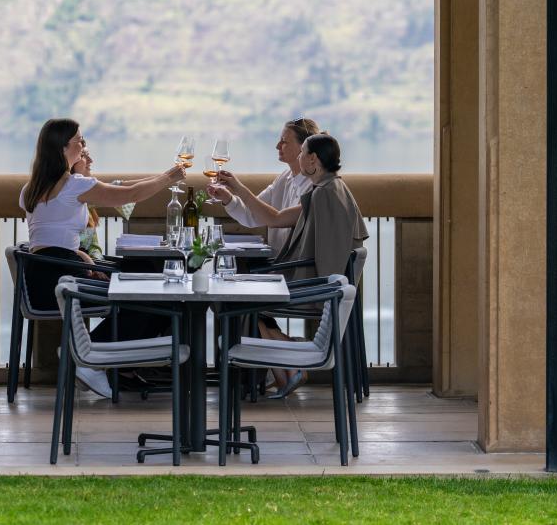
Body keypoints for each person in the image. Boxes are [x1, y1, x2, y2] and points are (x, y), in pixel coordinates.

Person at [19, 118, 186, 397]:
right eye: (79, 142)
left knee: (145, 274)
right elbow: (128, 195)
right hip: (63, 278)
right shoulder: (74, 186)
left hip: (41, 276)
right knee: (151, 292)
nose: (84, 146)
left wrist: (80, 254)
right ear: (63, 149)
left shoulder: (30, 190)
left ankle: (108, 361)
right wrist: (168, 178)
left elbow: (48, 238)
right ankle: (92, 358)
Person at [216, 132, 368, 397]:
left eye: (301, 153)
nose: (297, 159)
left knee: (237, 300)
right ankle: (283, 366)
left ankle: (280, 365)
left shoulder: (323, 193)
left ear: (313, 159)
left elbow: (277, 221)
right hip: (324, 282)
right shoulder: (330, 188)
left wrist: (238, 187)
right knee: (240, 296)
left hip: (318, 287)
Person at [206, 118, 321, 255]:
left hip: (291, 268)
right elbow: (250, 215)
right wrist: (228, 199)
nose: (277, 146)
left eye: (284, 141)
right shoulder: (284, 178)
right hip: (275, 263)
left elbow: (275, 219)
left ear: (303, 147)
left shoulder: (316, 187)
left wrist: (239, 187)